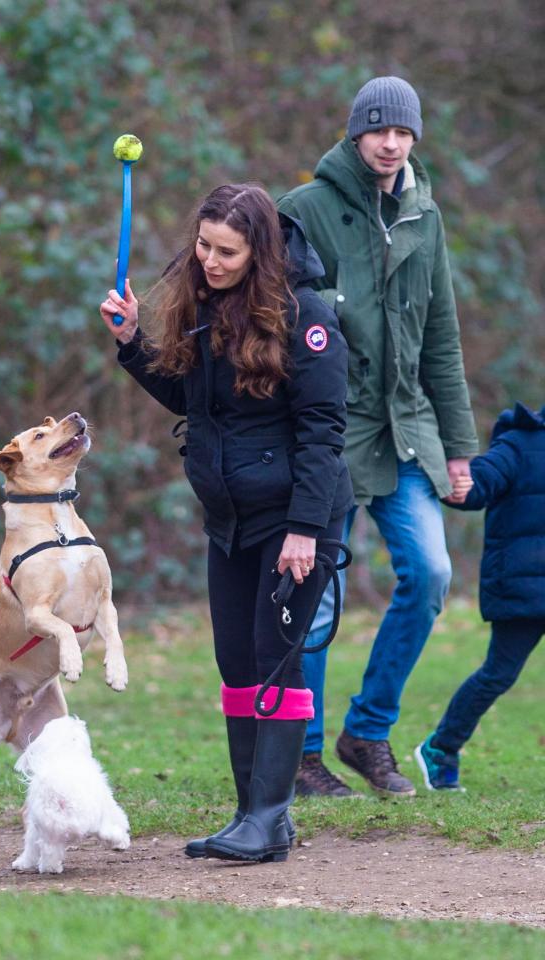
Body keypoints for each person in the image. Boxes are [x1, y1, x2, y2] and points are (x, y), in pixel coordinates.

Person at [100, 184, 353, 862]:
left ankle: (268, 818)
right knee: (236, 664)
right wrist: (131, 344)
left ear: (259, 252)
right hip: (231, 520)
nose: (209, 261)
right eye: (204, 246)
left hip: (297, 521)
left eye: (227, 252)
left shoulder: (308, 318)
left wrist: (305, 530)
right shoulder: (205, 307)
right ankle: (253, 814)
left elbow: (325, 432)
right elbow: (193, 398)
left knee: (275, 662)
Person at [277, 76, 478, 797]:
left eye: (403, 132)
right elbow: (272, 333)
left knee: (431, 574)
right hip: (329, 436)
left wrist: (458, 447)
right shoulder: (302, 212)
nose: (391, 143)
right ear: (355, 132)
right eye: (378, 130)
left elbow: (443, 342)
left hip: (406, 433)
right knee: (316, 597)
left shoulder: (426, 215)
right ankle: (300, 756)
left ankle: (366, 732)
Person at [415, 402, 545, 790]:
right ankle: (441, 748)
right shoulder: (520, 444)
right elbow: (479, 484)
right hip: (523, 587)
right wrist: (455, 480)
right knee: (498, 674)